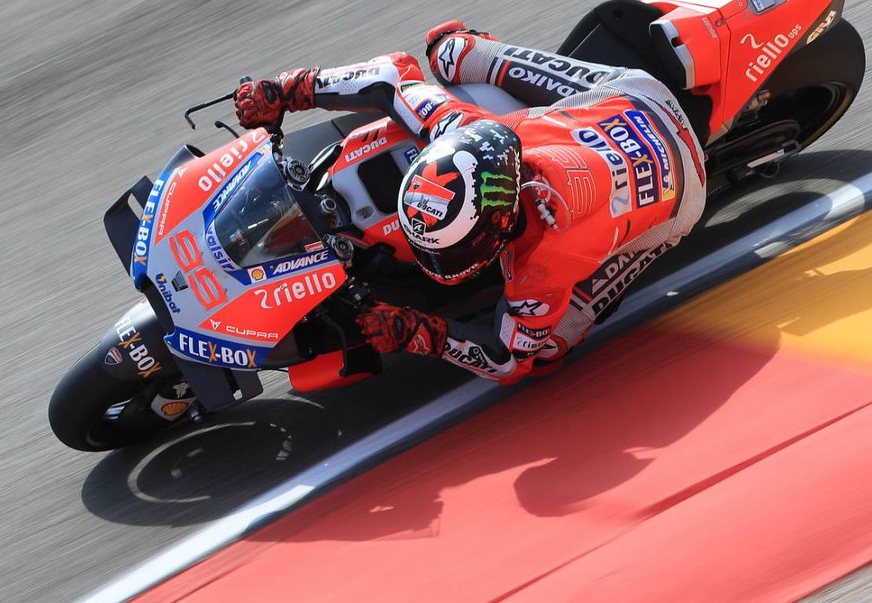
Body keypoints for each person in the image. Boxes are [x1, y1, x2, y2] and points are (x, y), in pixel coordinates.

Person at [233, 22, 707, 384]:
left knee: (545, 352)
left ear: (499, 227)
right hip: (633, 100)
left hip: (683, 189)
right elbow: (390, 77)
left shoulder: (541, 271)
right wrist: (289, 89)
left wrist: (421, 333)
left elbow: (508, 360)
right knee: (450, 48)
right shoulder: (468, 133)